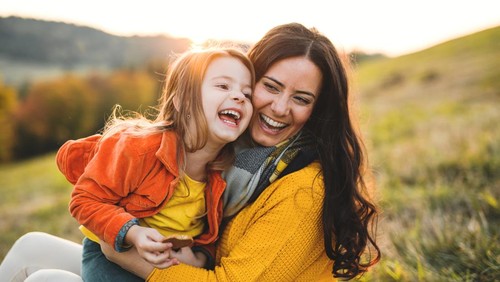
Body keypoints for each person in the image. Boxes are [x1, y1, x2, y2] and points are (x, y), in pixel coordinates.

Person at [0, 22, 380, 281]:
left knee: (47, 279)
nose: (280, 108)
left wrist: (122, 247)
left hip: (159, 268)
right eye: (270, 87)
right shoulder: (235, 159)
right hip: (164, 264)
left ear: (319, 110)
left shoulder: (301, 187)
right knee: (31, 245)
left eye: (301, 98)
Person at [0, 47, 255, 282]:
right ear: (181, 101)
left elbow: (209, 237)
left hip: (162, 270)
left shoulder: (224, 175)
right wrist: (133, 233)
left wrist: (199, 258)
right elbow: (84, 200)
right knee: (30, 247)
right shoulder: (139, 148)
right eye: (223, 86)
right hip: (113, 253)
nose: (239, 97)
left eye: (247, 93)